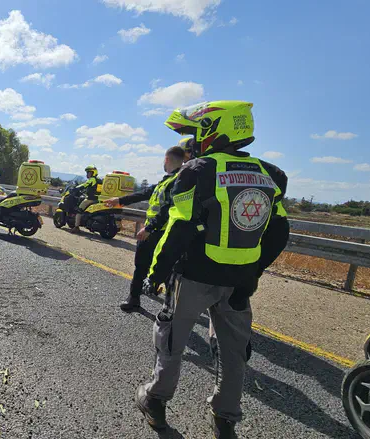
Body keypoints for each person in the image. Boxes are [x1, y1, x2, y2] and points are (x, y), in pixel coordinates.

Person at [134, 101, 289, 439]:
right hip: (241, 284)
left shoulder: (197, 171)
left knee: (171, 339)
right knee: (234, 353)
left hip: (194, 277)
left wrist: (156, 274)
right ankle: (225, 419)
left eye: (195, 132)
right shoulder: (273, 175)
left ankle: (156, 399)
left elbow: (180, 227)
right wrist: (253, 269)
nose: (193, 141)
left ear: (212, 130)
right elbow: (280, 233)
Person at [105, 142, 188, 311]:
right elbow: (145, 193)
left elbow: (167, 209)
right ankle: (164, 302)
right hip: (163, 232)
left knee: (144, 266)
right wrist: (119, 201)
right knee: (164, 268)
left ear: (166, 159)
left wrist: (150, 228)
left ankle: (135, 300)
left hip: (159, 232)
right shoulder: (169, 180)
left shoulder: (177, 181)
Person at [71, 165, 102, 232]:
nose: (87, 174)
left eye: (89, 172)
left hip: (90, 199)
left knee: (79, 210)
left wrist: (76, 188)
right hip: (97, 199)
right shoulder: (99, 180)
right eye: (87, 173)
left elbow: (85, 185)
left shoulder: (92, 179)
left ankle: (76, 227)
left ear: (93, 173)